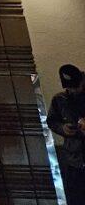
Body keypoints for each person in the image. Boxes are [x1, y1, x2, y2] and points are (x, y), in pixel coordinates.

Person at [47, 64, 85, 205]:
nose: (73, 90)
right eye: (70, 88)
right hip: (74, 159)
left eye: (76, 87)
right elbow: (52, 121)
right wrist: (63, 128)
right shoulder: (60, 99)